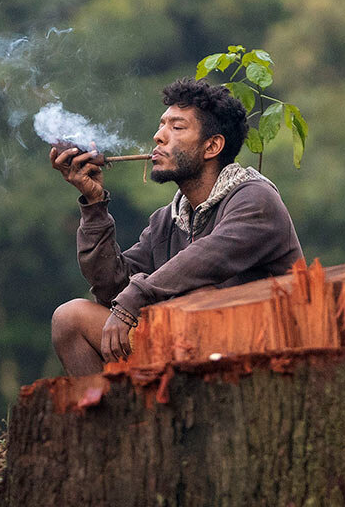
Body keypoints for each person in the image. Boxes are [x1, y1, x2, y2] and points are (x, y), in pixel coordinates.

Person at [49, 78, 304, 376]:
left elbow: (207, 258)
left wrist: (136, 296)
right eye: (161, 125)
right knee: (70, 318)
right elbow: (112, 289)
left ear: (212, 146)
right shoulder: (167, 220)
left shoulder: (255, 199)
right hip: (192, 349)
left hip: (265, 358)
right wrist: (94, 205)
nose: (159, 136)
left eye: (177, 127)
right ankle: (114, 423)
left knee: (199, 297)